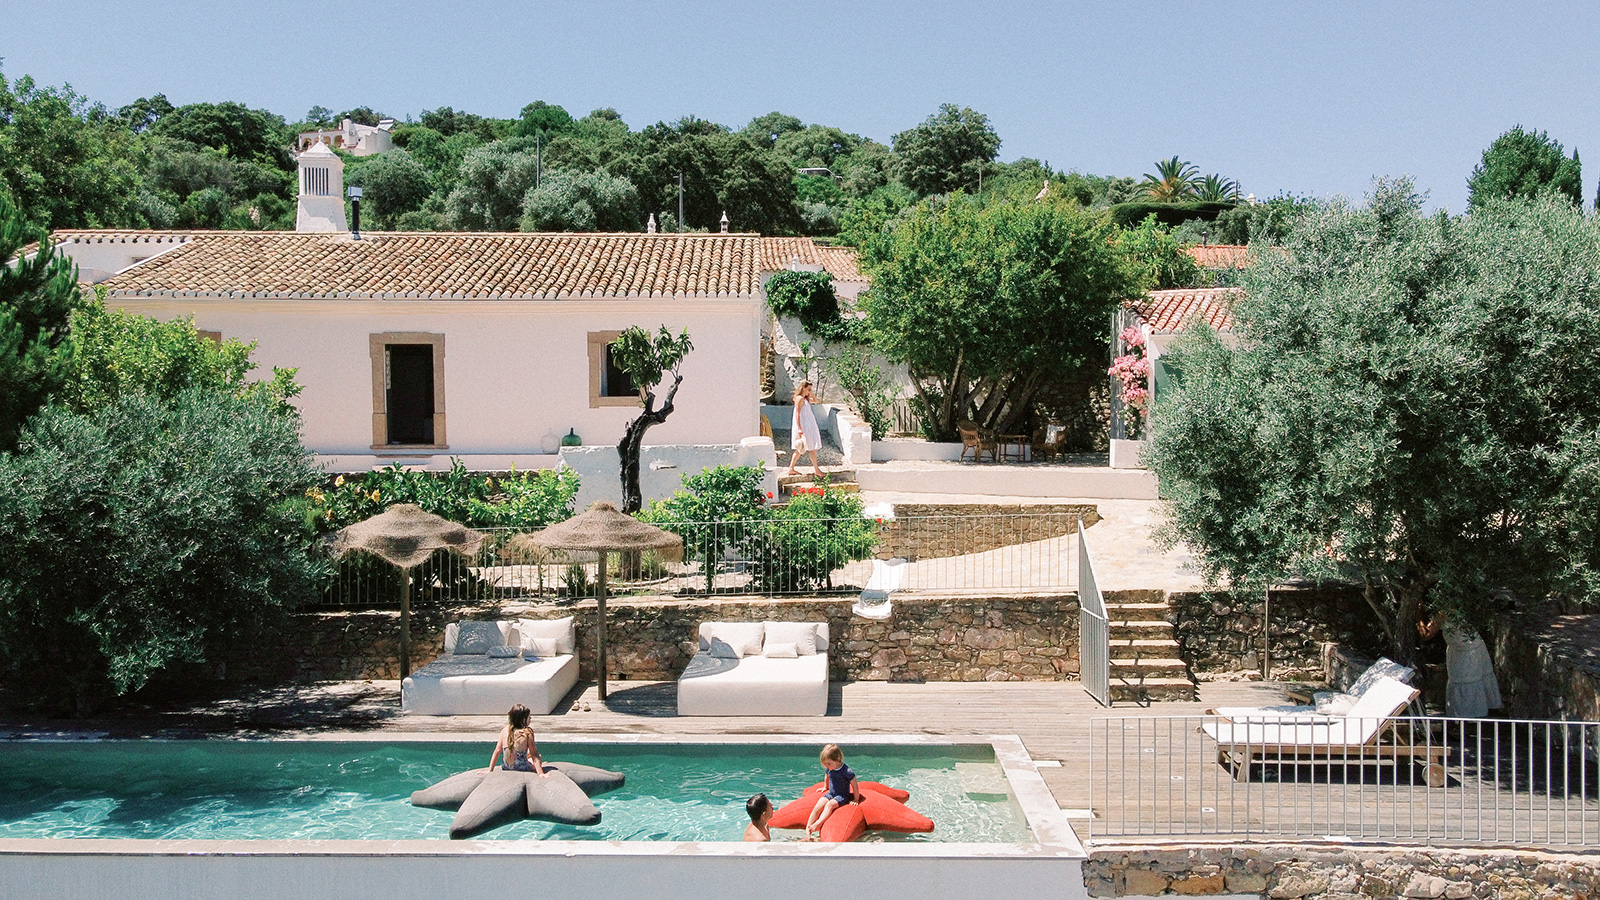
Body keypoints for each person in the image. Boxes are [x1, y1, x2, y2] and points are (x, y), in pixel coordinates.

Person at [1418, 611, 1502, 718]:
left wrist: (1418, 615)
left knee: (1466, 682)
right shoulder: (1446, 610)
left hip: (1468, 652)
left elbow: (1426, 635)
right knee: (1465, 683)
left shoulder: (1442, 612)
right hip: (1463, 649)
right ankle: (1469, 717)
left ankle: (1470, 718)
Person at [804, 743, 859, 840]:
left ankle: (818, 824)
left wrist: (856, 799)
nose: (827, 766)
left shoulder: (847, 771)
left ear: (838, 759)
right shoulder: (829, 768)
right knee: (818, 806)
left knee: (829, 805)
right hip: (831, 793)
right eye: (825, 764)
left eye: (829, 764)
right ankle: (807, 831)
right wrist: (825, 787)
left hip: (842, 796)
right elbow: (827, 776)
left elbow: (855, 786)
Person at [487, 704, 548, 776]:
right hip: (522, 768)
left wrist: (490, 770)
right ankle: (538, 764)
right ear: (523, 719)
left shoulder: (504, 730)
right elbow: (534, 753)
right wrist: (540, 773)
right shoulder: (527, 732)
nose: (530, 718)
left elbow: (497, 751)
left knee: (525, 754)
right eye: (529, 717)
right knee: (538, 756)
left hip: (506, 767)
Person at [787, 381, 824, 478]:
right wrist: (799, 428)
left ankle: (792, 468)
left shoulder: (805, 398)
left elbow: (815, 401)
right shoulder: (799, 398)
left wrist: (811, 393)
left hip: (809, 425)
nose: (809, 391)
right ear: (803, 388)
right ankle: (816, 470)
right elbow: (797, 414)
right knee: (803, 447)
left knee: (808, 448)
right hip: (805, 426)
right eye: (808, 389)